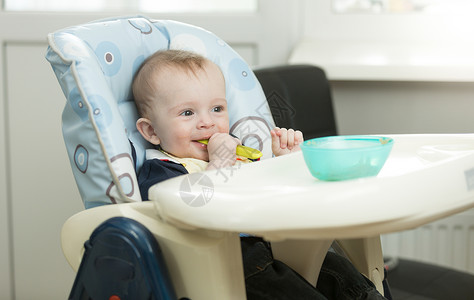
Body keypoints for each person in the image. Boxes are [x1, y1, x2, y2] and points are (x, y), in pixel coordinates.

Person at [133, 49, 388, 300]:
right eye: (187, 113)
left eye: (217, 109)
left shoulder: (241, 153)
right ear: (152, 131)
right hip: (227, 264)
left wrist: (286, 161)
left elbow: (270, 193)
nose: (207, 123)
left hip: (274, 247)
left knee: (340, 272)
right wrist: (221, 161)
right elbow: (191, 210)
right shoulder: (162, 170)